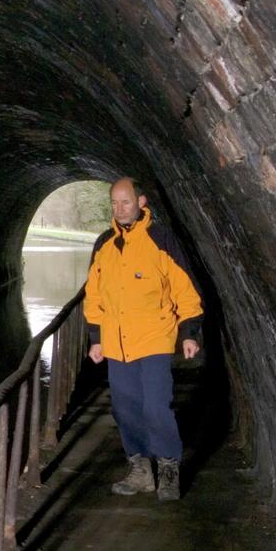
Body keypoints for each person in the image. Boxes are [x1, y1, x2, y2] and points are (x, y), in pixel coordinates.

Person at [84, 177, 205, 502]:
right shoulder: (104, 245)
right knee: (124, 410)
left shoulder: (161, 240)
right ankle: (140, 470)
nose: (120, 209)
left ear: (141, 202)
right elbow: (93, 295)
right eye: (114, 203)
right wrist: (96, 338)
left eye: (126, 202)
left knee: (155, 408)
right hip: (116, 343)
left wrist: (189, 332)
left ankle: (168, 469)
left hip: (154, 339)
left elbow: (185, 289)